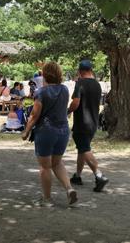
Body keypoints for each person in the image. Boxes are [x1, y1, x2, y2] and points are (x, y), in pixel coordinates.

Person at [22, 62, 77, 207]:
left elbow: (34, 115)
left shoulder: (41, 92)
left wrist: (26, 131)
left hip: (46, 131)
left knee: (45, 166)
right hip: (63, 131)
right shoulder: (65, 90)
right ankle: (69, 189)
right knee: (57, 163)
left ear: (45, 75)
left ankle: (47, 199)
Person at [69, 60, 109, 192]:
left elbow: (76, 103)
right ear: (91, 70)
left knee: (84, 148)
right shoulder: (97, 85)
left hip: (82, 122)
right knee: (82, 149)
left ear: (80, 71)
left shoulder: (80, 83)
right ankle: (78, 176)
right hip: (93, 122)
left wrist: (67, 111)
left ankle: (99, 175)